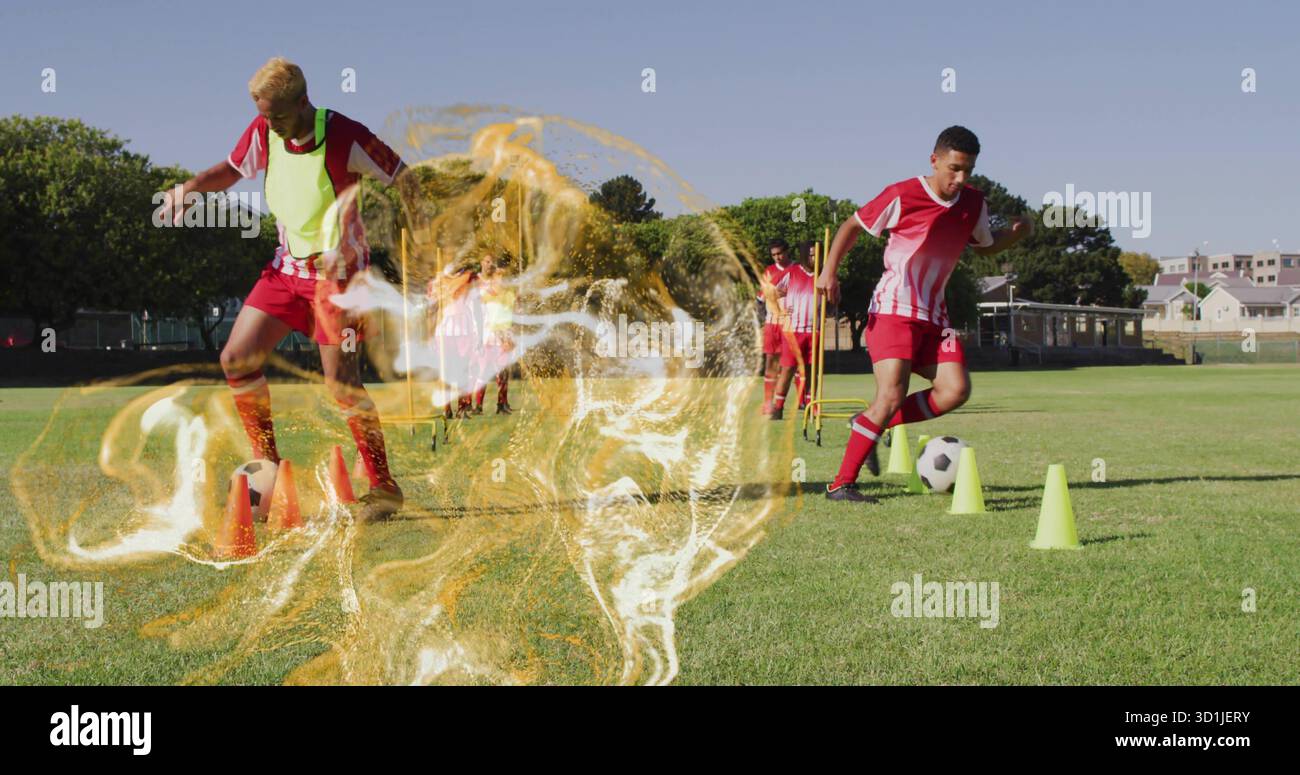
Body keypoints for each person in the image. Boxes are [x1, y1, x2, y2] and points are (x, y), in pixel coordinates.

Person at [158, 57, 408, 521]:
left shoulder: (345, 134)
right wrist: (190, 187)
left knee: (342, 385)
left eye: (277, 115)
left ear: (303, 101)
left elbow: (403, 177)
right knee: (236, 358)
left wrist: (394, 232)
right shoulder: (263, 132)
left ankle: (384, 487)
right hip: (285, 272)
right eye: (263, 115)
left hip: (339, 281)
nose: (269, 125)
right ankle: (267, 462)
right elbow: (231, 171)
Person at [816, 126, 1034, 502]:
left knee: (955, 390)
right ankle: (842, 484)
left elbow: (983, 246)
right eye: (953, 168)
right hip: (893, 309)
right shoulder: (903, 194)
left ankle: (869, 423)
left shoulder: (974, 203)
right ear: (934, 160)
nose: (960, 178)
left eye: (968, 170)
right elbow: (853, 225)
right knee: (891, 394)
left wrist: (1015, 234)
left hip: (936, 317)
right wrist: (829, 271)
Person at [769, 241, 818, 419]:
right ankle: (778, 407)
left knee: (812, 370)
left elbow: (834, 299)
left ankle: (811, 406)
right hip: (794, 331)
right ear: (805, 255)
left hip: (815, 331)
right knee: (788, 369)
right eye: (811, 255)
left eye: (817, 254)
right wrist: (781, 310)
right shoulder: (793, 272)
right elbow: (772, 293)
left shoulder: (823, 274)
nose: (814, 258)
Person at [427, 263, 482, 419]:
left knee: (463, 370)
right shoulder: (438, 281)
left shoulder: (469, 280)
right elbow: (432, 308)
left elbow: (477, 307)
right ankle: (447, 408)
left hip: (465, 330)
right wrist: (429, 334)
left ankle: (462, 407)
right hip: (444, 331)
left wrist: (480, 334)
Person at [473, 253, 516, 414]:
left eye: (503, 279)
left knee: (503, 371)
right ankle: (478, 405)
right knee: (483, 371)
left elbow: (511, 317)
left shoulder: (509, 295)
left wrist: (509, 338)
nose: (501, 282)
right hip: (489, 337)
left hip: (504, 336)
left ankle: (501, 404)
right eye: (498, 279)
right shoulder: (486, 295)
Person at [758, 239, 794, 415]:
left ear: (787, 251)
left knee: (790, 364)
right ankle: (767, 403)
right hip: (772, 323)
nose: (777, 258)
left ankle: (804, 402)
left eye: (780, 253)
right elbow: (761, 297)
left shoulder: (796, 270)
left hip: (791, 323)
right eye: (773, 255)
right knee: (771, 363)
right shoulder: (769, 272)